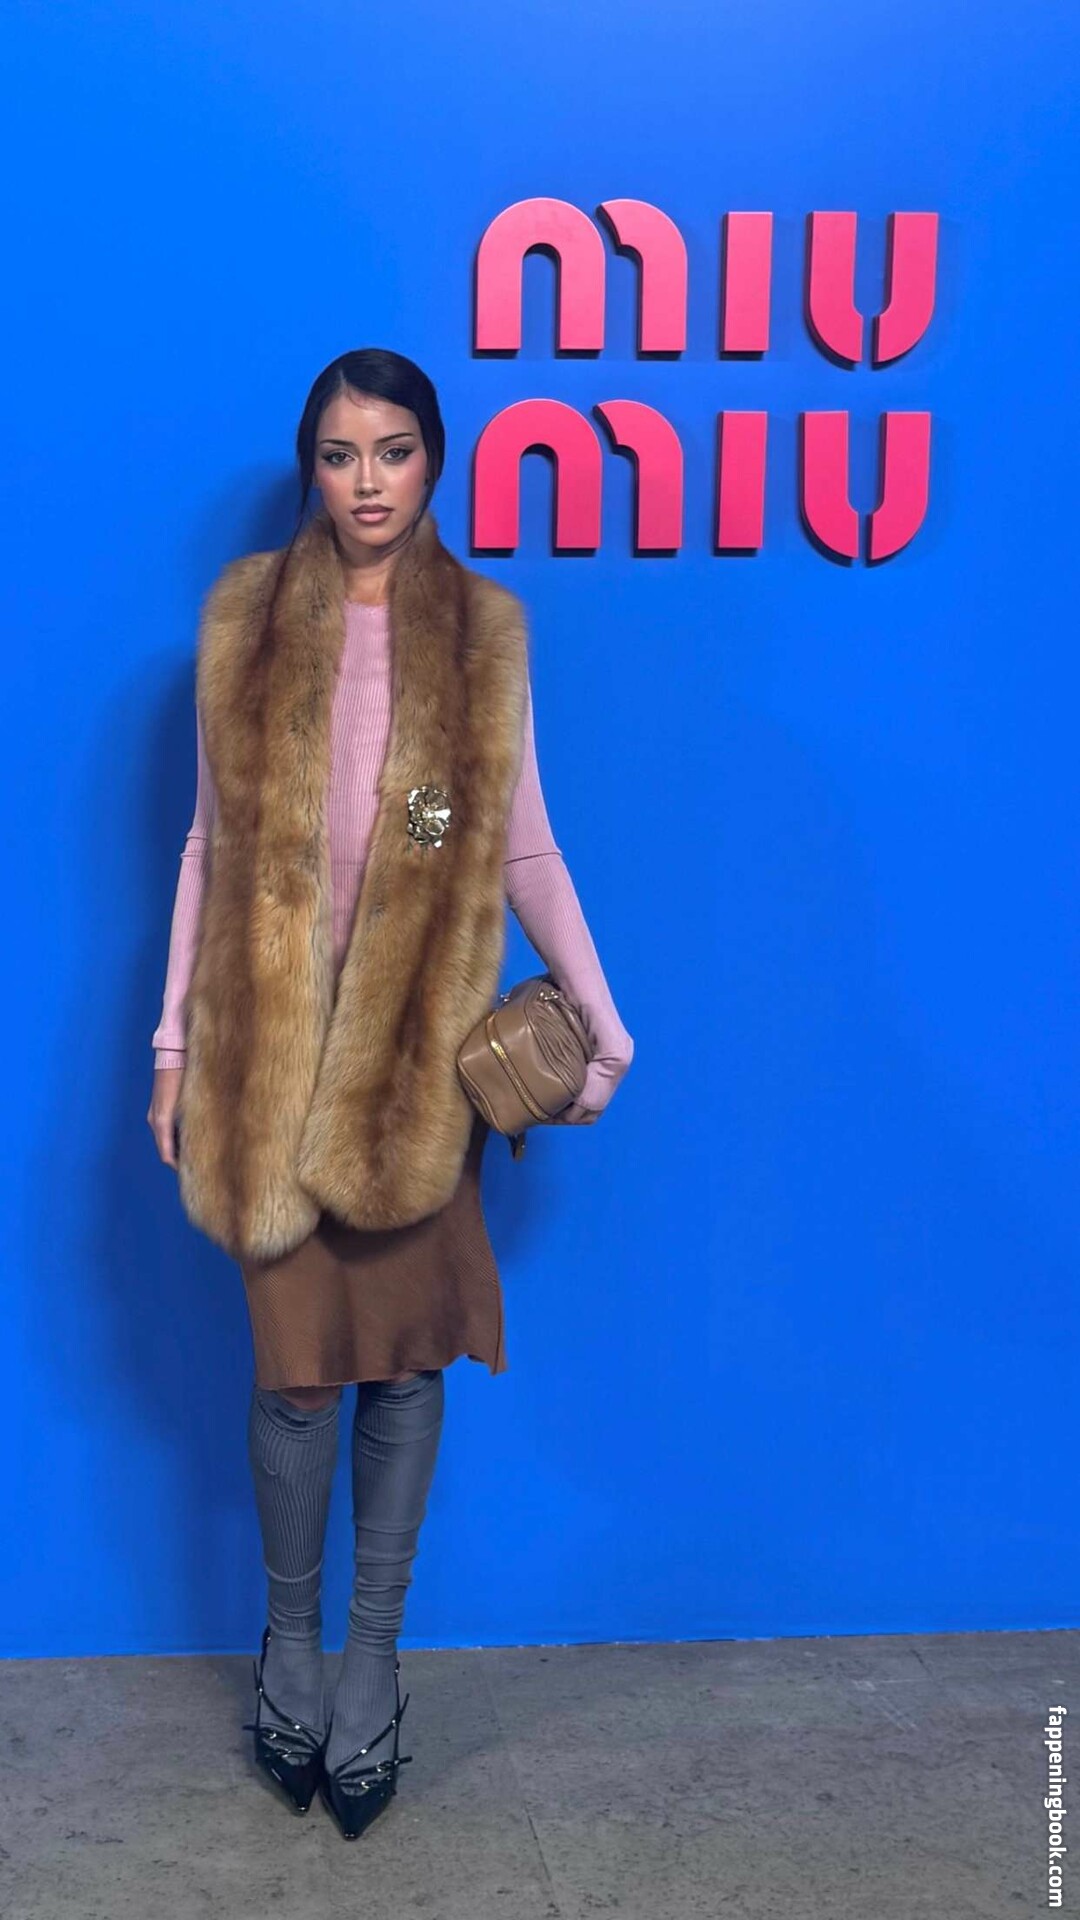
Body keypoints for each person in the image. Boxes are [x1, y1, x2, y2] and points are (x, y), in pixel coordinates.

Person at [146, 347, 634, 1839]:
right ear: (313, 466)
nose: (368, 481)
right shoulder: (245, 622)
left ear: (435, 462)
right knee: (296, 1376)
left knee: (405, 1368)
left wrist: (604, 1022)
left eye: (395, 450)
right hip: (269, 1057)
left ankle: (371, 1667)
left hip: (412, 1062)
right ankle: (288, 1648)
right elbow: (209, 846)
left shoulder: (479, 639)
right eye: (342, 453)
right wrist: (171, 1050)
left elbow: (508, 840)